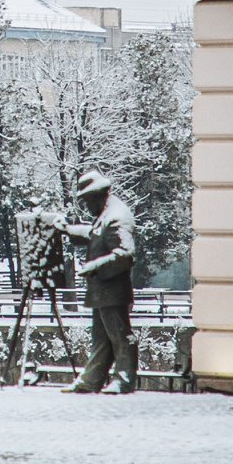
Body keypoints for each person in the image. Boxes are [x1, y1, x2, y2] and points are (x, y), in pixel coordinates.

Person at [61, 169, 141, 394]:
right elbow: (95, 234)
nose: (87, 206)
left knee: (120, 336)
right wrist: (67, 230)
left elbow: (126, 254)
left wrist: (95, 266)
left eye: (87, 200)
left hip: (112, 289)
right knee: (102, 338)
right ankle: (92, 379)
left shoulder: (117, 217)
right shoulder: (106, 214)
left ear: (98, 195)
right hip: (102, 291)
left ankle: (124, 380)